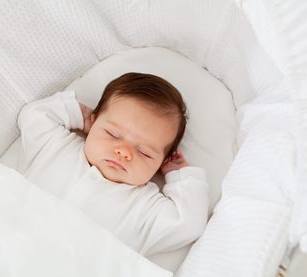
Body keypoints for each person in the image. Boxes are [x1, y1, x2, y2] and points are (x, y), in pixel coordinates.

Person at [17, 72, 209, 257]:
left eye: (145, 152)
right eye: (113, 134)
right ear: (93, 122)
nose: (124, 152)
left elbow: (189, 224)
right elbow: (34, 115)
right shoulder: (58, 149)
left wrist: (180, 176)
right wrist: (79, 114)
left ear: (161, 163)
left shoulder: (144, 209)